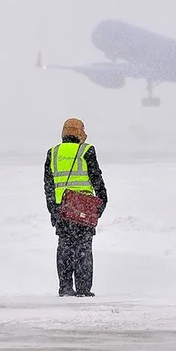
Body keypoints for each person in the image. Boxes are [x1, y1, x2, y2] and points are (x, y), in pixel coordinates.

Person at [44, 118, 108, 297]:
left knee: (64, 247)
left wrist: (53, 210)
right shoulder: (86, 150)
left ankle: (65, 287)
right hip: (82, 210)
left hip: (62, 210)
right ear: (80, 132)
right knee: (83, 249)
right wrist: (102, 202)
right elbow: (96, 178)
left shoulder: (53, 152)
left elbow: (48, 184)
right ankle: (83, 289)